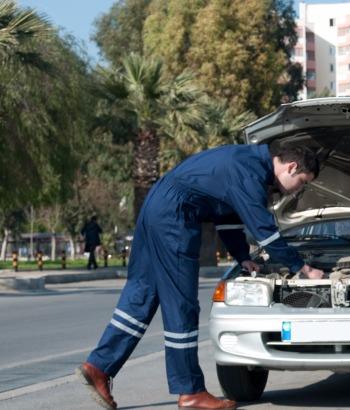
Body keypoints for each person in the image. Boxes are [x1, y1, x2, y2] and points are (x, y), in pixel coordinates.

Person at [76, 144, 324, 410]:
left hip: (156, 207)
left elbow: (227, 217)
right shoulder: (249, 172)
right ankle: (190, 390)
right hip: (175, 216)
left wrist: (242, 256)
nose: (298, 189)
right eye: (301, 183)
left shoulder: (246, 162)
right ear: (292, 167)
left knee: (142, 293)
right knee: (181, 304)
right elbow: (265, 231)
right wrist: (303, 268)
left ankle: (99, 366)